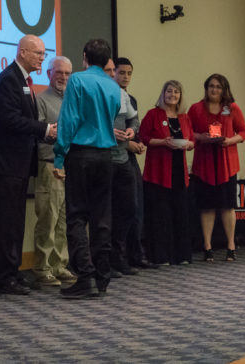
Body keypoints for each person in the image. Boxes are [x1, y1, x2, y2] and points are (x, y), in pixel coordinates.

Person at [0, 35, 57, 295]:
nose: (41, 57)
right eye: (38, 53)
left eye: (43, 54)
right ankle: (6, 279)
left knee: (16, 220)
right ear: (23, 52)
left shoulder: (23, 80)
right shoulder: (9, 80)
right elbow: (11, 120)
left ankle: (12, 272)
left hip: (19, 162)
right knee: (9, 221)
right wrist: (45, 129)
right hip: (6, 162)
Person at [53, 39, 121, 298]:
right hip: (106, 155)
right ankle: (103, 277)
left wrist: (59, 157)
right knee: (102, 216)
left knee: (77, 216)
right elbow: (111, 116)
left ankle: (86, 276)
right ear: (107, 61)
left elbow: (69, 120)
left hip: (81, 154)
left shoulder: (78, 81)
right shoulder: (113, 86)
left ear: (84, 57)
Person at [188, 73, 245, 262]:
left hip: (227, 163)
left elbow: (244, 132)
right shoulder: (196, 109)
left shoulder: (232, 108)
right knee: (206, 207)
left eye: (218, 87)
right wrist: (202, 138)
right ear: (206, 88)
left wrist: (230, 140)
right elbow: (189, 132)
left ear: (224, 90)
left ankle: (231, 246)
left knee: (227, 206)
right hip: (204, 164)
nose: (214, 90)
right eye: (211, 86)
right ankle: (208, 247)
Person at [139, 80, 194, 265]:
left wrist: (188, 144)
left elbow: (192, 141)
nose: (173, 95)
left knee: (180, 214)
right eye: (169, 91)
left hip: (179, 172)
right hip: (158, 173)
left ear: (180, 96)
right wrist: (163, 142)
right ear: (163, 94)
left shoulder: (184, 117)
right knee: (160, 216)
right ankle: (160, 256)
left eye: (176, 92)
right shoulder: (153, 114)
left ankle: (181, 255)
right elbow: (144, 138)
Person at [33, 56, 76, 286]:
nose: (63, 77)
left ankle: (60, 265)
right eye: (59, 72)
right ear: (49, 73)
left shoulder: (73, 100)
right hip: (49, 164)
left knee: (64, 220)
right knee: (48, 219)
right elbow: (38, 133)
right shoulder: (40, 100)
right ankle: (42, 268)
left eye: (68, 74)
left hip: (71, 165)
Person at [114, 58, 154, 270]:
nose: (125, 77)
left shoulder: (132, 100)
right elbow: (107, 127)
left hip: (129, 159)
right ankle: (119, 258)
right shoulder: (108, 96)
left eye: (129, 73)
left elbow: (133, 125)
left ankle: (136, 254)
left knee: (135, 207)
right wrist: (128, 144)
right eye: (121, 72)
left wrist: (137, 143)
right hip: (114, 157)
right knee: (120, 210)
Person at [104, 59, 139, 276]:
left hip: (123, 159)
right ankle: (106, 260)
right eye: (115, 71)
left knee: (129, 208)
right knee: (105, 212)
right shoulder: (99, 93)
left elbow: (134, 120)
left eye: (129, 73)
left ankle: (118, 256)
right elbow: (91, 122)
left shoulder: (125, 96)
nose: (122, 76)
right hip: (104, 159)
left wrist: (131, 132)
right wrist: (110, 132)